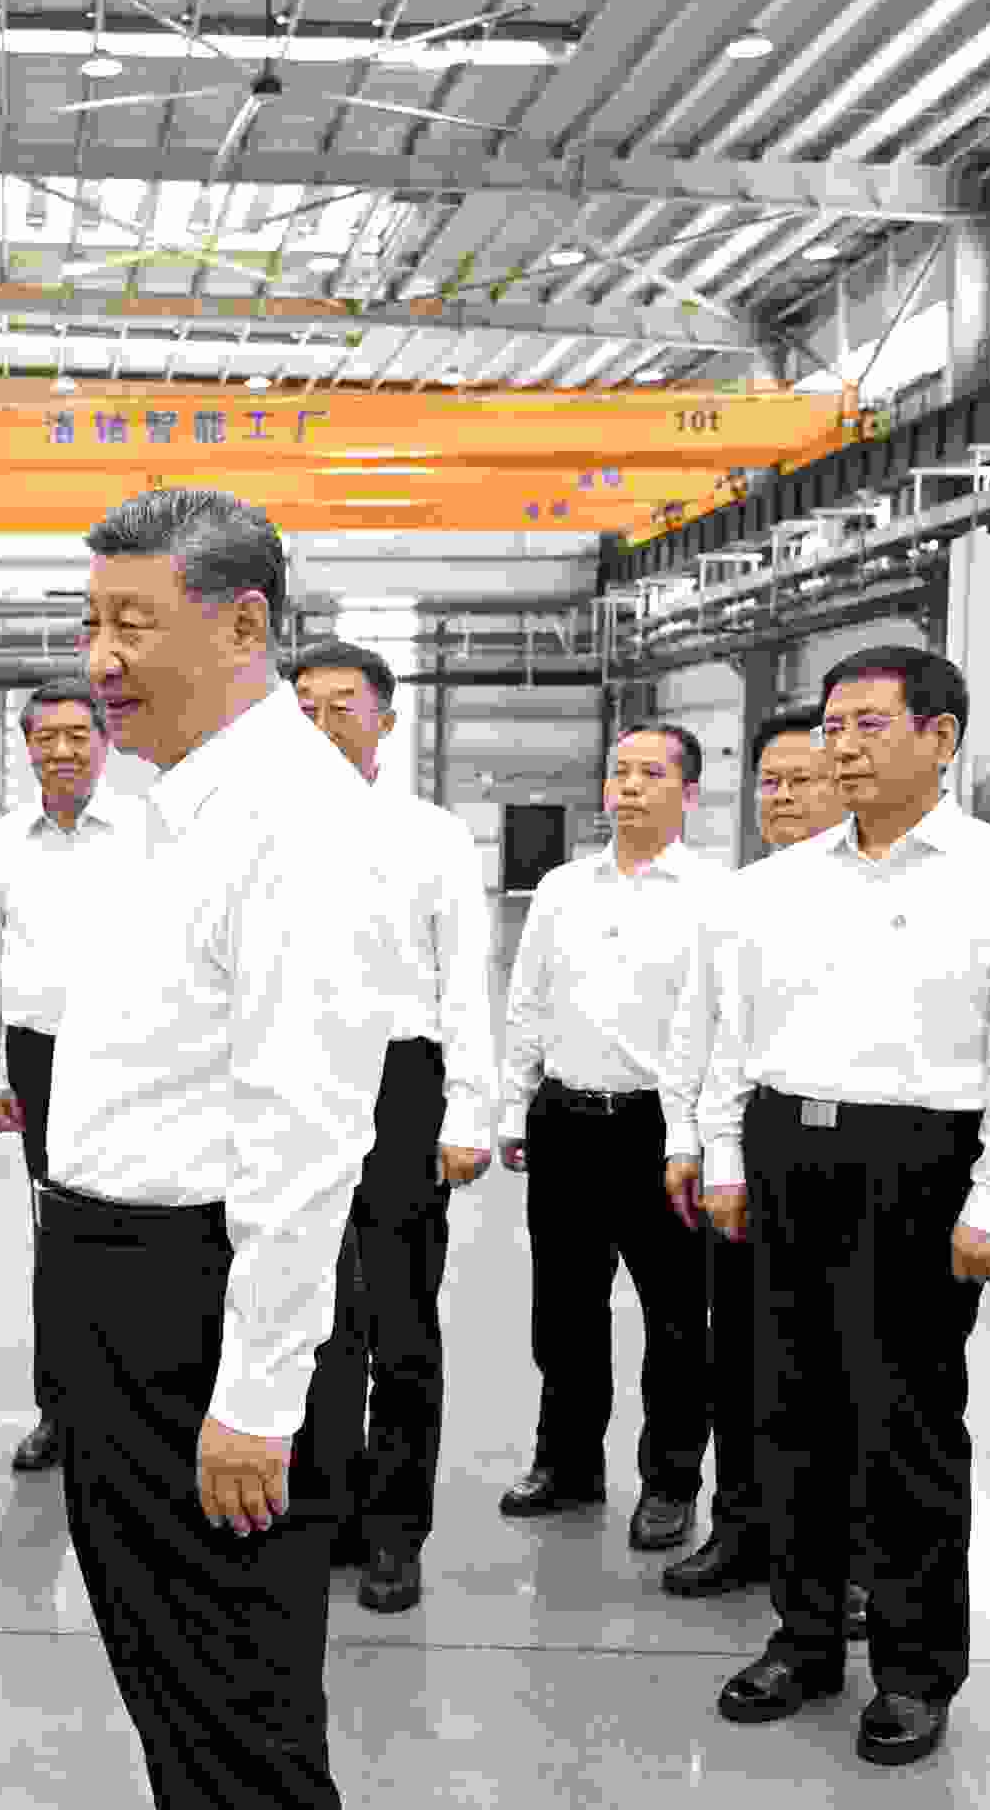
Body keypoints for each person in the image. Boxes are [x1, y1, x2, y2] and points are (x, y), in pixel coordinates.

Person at [40, 488, 392, 1810]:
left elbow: (305, 1134)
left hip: (207, 1315)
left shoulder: (298, 827)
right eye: (92, 622)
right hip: (120, 1281)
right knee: (171, 1678)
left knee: (244, 1718)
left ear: (243, 627)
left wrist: (258, 1394)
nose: (101, 661)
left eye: (135, 624)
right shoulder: (179, 800)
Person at [690, 648, 990, 1767]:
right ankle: (804, 1636)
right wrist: (724, 1155)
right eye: (834, 726)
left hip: (919, 1164)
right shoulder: (780, 886)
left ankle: (913, 1668)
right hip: (786, 1149)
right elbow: (735, 1034)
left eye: (868, 724)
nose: (843, 747)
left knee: (903, 1422)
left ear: (939, 738)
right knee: (789, 1409)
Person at [286, 637, 495, 1614]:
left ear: (385, 721)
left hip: (401, 1084)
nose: (322, 724)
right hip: (293, 1083)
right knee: (308, 1313)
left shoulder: (431, 837)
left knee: (401, 1323)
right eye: (305, 707)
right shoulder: (258, 833)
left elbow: (465, 984)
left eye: (343, 706)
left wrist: (469, 1109)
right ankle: (323, 1511)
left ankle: (395, 1531)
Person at [493, 720, 725, 1565]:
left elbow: (722, 1025)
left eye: (650, 773)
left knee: (677, 1318)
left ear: (689, 793)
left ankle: (671, 1481)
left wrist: (697, 1138)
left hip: (660, 1133)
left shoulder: (714, 897)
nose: (628, 786)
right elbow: (528, 1000)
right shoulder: (562, 890)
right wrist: (514, 1106)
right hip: (564, 1121)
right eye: (619, 771)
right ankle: (567, 1461)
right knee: (565, 1310)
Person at [655, 707, 849, 1604]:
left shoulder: (884, 898)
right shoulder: (736, 900)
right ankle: (743, 1527)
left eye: (802, 780)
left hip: (855, 1149)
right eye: (768, 782)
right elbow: (697, 1032)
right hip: (749, 1143)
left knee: (844, 1366)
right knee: (739, 1352)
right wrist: (687, 1141)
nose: (781, 797)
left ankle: (845, 1561)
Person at [0, 672, 144, 1476]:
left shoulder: (146, 834)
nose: (63, 750)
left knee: (137, 1230)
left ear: (105, 741)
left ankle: (133, 1409)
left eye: (77, 735)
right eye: (46, 737)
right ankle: (60, 1410)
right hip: (40, 1058)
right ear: (27, 747)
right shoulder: (3, 844)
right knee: (57, 1240)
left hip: (133, 1053)